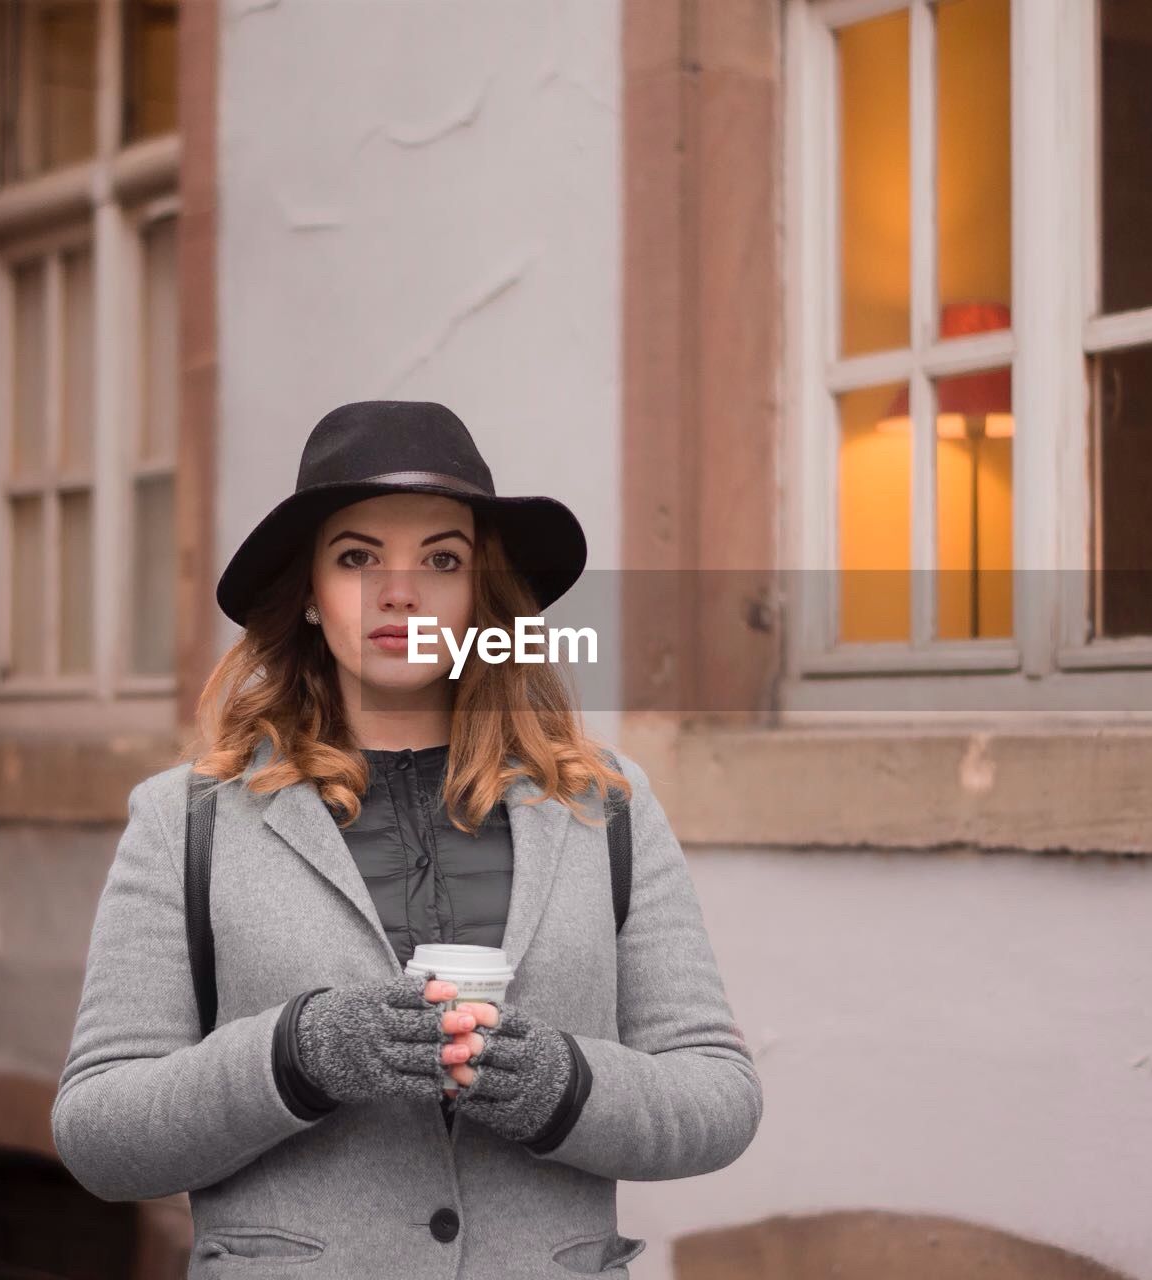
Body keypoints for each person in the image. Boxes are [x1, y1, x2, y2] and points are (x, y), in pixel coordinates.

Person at [51, 401, 762, 1279]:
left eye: (441, 559)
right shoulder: (186, 819)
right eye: (357, 558)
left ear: (480, 593)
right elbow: (99, 1135)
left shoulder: (604, 806)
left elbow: (719, 1097)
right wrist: (299, 1055)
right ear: (309, 594)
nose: (400, 591)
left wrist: (561, 1085)